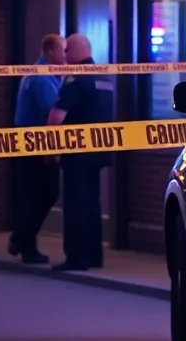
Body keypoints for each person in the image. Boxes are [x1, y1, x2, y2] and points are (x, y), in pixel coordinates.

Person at [47, 33, 114, 272]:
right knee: (92, 203)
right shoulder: (104, 76)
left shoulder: (76, 79)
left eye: (66, 51)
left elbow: (57, 116)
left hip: (76, 151)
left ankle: (76, 257)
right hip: (100, 150)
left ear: (76, 51)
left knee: (76, 204)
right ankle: (94, 255)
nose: (64, 56)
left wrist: (49, 147)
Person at [8, 33, 65, 264]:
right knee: (43, 193)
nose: (66, 55)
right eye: (63, 50)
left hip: (32, 142)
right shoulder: (42, 78)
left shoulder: (44, 74)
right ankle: (23, 241)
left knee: (36, 194)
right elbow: (51, 111)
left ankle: (22, 240)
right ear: (50, 51)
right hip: (36, 143)